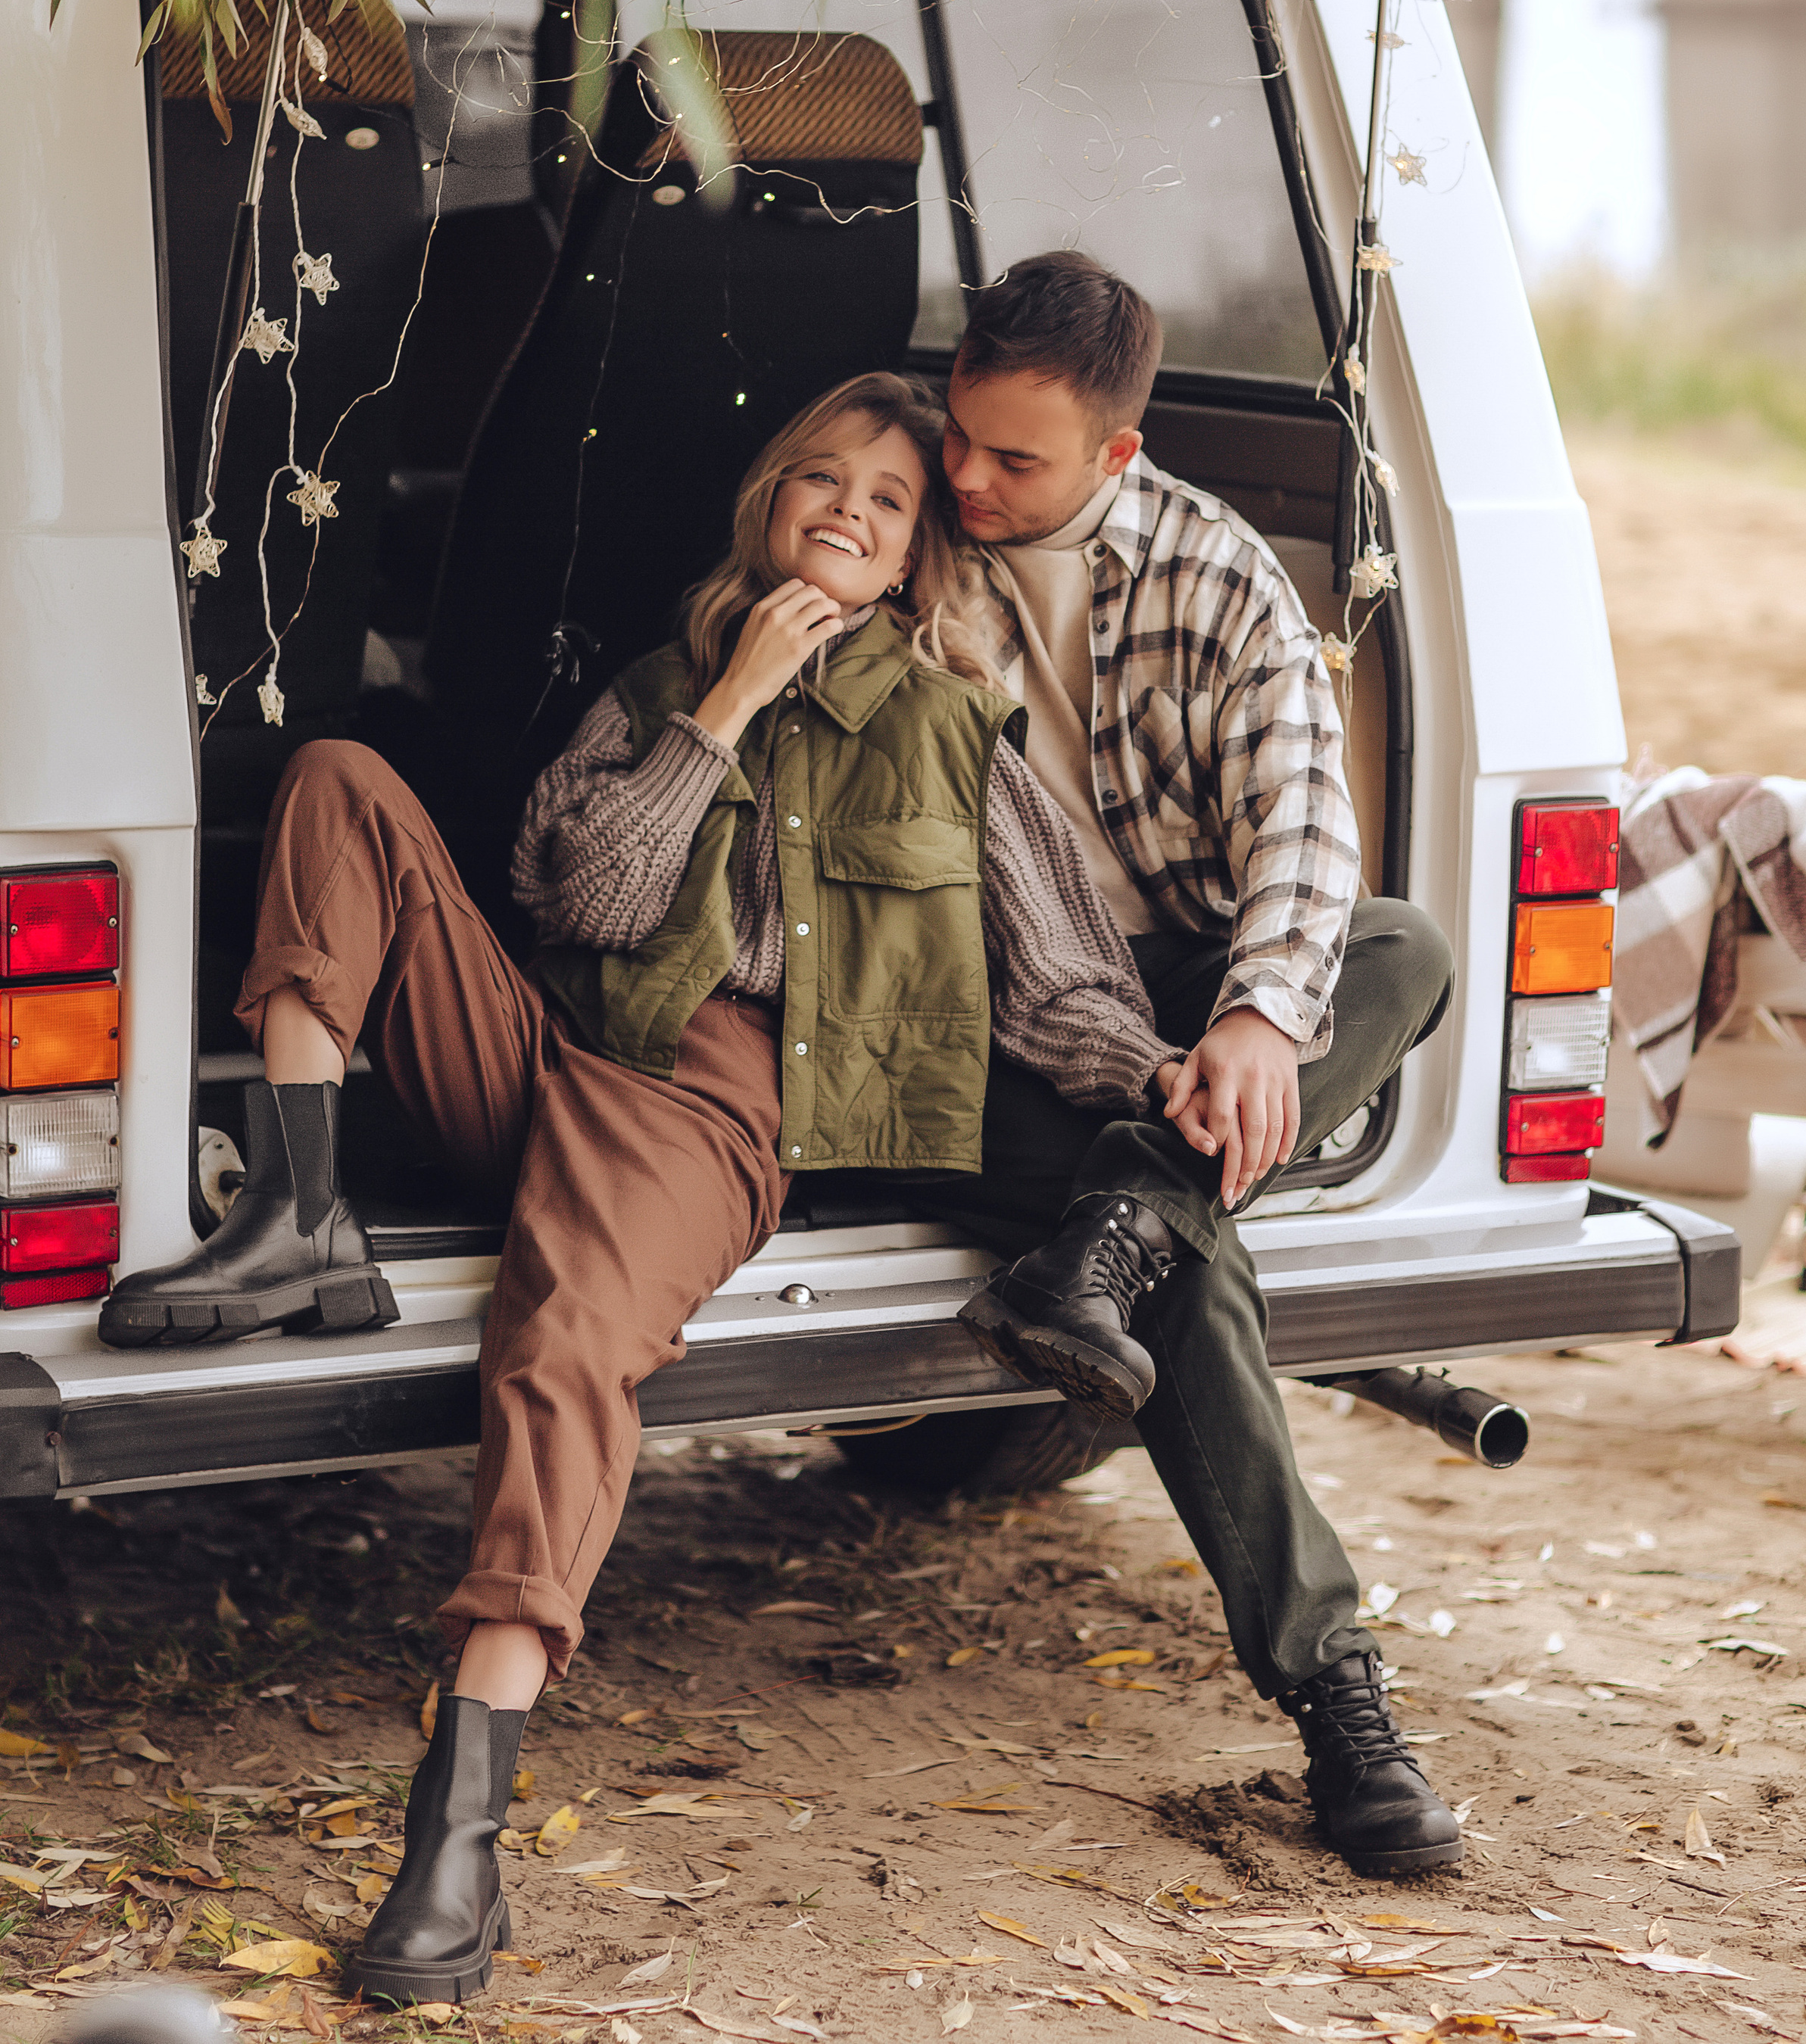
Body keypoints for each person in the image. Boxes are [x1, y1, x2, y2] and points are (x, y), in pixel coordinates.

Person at [98, 372, 1190, 2005]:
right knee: (338, 776)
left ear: (909, 555)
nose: (845, 505)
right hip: (548, 1037)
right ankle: (299, 1209)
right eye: (818, 477)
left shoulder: (956, 733)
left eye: (884, 499)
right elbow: (585, 893)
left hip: (698, 1096)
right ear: (767, 505)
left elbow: (1057, 983)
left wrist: (1177, 1069)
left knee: (555, 1353)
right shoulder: (654, 685)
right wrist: (726, 704)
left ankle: (456, 1831)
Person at [926, 251, 1463, 1880]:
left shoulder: (1220, 578)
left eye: (1010, 459)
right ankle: (1337, 1692)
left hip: (1173, 973)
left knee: (1401, 949)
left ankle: (1115, 1231)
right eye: (958, 437)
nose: (966, 478)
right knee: (1193, 1258)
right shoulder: (907, 524)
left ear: (1116, 451)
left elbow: (1303, 836)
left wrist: (1241, 1023)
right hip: (989, 1008)